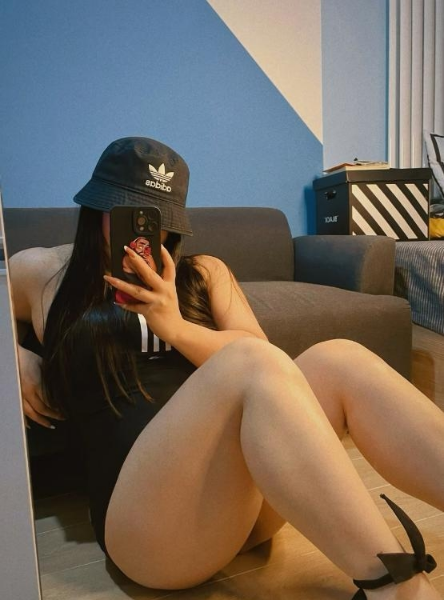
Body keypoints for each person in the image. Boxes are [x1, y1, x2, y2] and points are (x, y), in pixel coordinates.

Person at [10, 137, 444, 600]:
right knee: (248, 362)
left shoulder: (205, 271)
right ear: (96, 206)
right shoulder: (41, 271)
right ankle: (397, 589)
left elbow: (264, 358)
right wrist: (15, 357)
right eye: (126, 215)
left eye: (156, 220)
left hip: (240, 506)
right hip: (150, 529)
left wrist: (175, 327)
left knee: (339, 357)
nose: (144, 234)